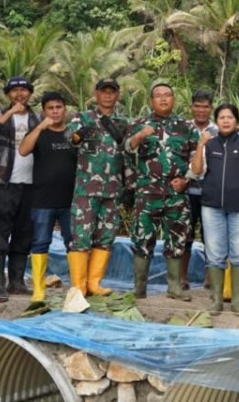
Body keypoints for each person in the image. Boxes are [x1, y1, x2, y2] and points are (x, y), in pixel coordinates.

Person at [192, 103, 239, 315]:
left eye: (230, 117)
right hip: (212, 206)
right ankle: (216, 300)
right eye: (222, 117)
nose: (225, 121)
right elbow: (197, 171)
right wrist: (200, 145)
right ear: (217, 121)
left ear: (236, 121)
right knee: (214, 253)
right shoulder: (209, 145)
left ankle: (236, 301)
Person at [126, 81, 198, 300]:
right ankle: (139, 287)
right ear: (151, 101)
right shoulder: (139, 123)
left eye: (168, 95)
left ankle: (174, 287)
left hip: (176, 194)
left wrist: (187, 180)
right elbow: (127, 151)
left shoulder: (186, 126)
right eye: (159, 95)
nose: (164, 99)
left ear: (173, 99)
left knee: (176, 239)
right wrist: (140, 136)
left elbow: (196, 157)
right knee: (142, 239)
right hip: (147, 192)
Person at [65, 78, 130, 296]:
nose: (108, 95)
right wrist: (79, 134)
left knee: (106, 236)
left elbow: (130, 150)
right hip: (86, 190)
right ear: (96, 94)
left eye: (112, 92)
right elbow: (70, 139)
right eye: (104, 92)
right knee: (81, 236)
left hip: (112, 190)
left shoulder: (122, 123)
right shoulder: (83, 117)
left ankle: (94, 283)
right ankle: (78, 286)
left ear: (117, 95)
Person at [0, 76, 41, 302]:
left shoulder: (37, 117)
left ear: (29, 93)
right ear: (8, 95)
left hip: (31, 185)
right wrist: (9, 113)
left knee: (24, 234)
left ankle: (16, 281)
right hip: (4, 183)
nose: (20, 94)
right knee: (1, 234)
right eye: (14, 91)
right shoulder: (0, 115)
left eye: (24, 90)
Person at [18, 92, 79, 303]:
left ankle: (77, 288)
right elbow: (23, 150)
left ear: (65, 110)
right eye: (50, 108)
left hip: (71, 201)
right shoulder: (39, 133)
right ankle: (38, 289)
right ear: (44, 111)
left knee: (73, 243)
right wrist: (39, 128)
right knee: (40, 242)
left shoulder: (73, 135)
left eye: (58, 107)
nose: (55, 111)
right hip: (42, 200)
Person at [183, 89, 218, 290]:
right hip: (187, 191)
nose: (201, 110)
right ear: (192, 107)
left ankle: (209, 277)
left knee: (210, 236)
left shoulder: (217, 130)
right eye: (197, 106)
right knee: (185, 235)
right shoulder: (184, 128)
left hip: (210, 190)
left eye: (205, 106)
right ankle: (182, 278)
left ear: (210, 108)